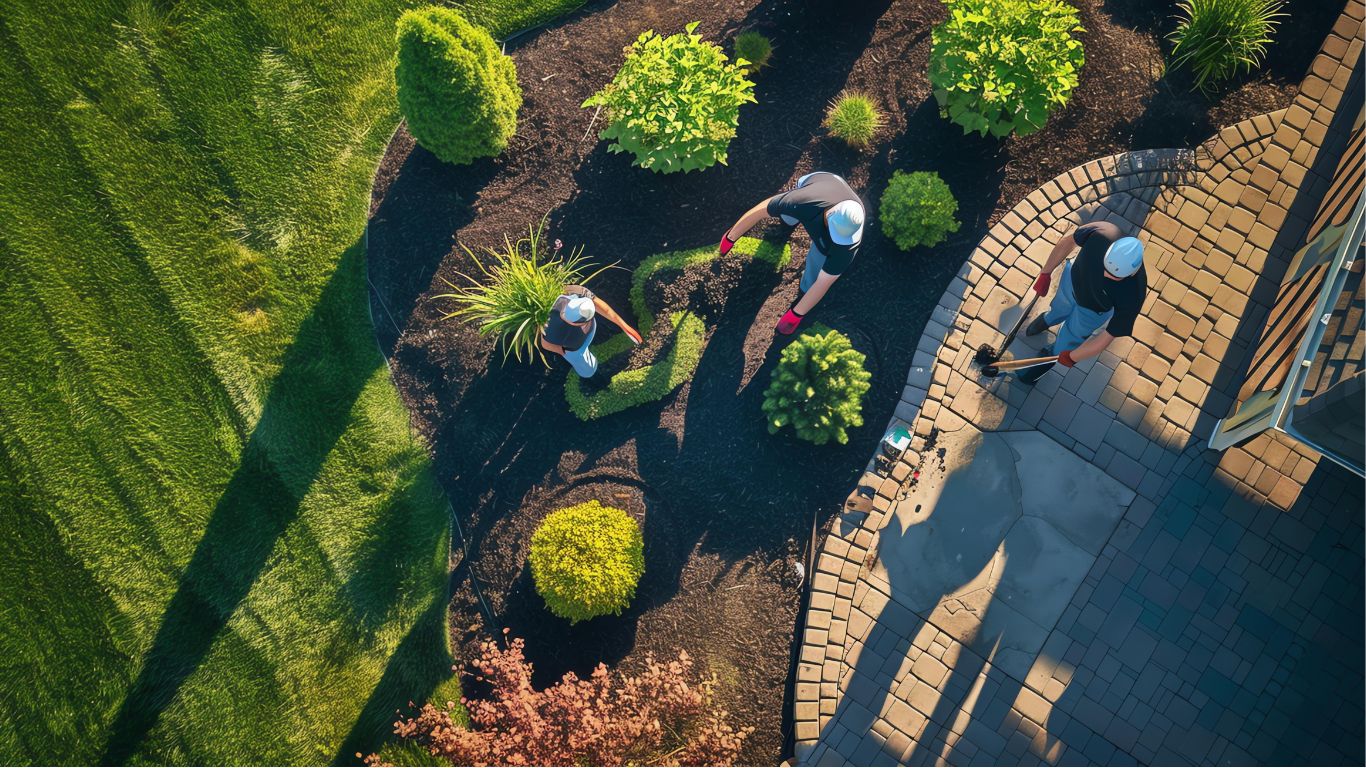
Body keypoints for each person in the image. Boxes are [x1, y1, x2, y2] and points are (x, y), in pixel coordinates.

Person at [720, 171, 865, 334]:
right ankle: (786, 224)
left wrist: (796, 314)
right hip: (819, 182)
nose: (837, 239)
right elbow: (761, 209)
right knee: (789, 214)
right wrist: (731, 236)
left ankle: (804, 290)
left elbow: (824, 282)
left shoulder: (846, 247)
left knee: (817, 264)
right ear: (828, 216)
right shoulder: (803, 201)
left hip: (824, 218)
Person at [1017, 220, 1147, 385]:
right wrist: (1046, 273)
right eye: (1105, 266)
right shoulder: (1103, 231)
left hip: (1092, 311)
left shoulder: (1134, 293)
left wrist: (1072, 357)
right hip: (1071, 282)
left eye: (1114, 276)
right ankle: (1048, 319)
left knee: (1068, 340)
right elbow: (1068, 242)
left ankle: (1047, 359)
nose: (1105, 275)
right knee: (1058, 308)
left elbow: (1106, 338)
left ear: (1131, 272)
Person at [538, 285, 642, 378]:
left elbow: (605, 310)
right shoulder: (550, 324)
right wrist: (564, 352)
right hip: (575, 348)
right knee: (588, 371)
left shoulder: (577, 292)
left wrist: (625, 326)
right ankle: (595, 376)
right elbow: (546, 344)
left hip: (590, 329)